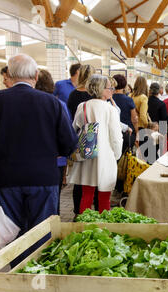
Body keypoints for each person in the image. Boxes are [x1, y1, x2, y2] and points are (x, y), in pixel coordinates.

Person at [0, 54, 77, 267]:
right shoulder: (52, 103)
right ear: (36, 75)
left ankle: (18, 274)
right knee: (41, 232)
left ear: (10, 76)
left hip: (5, 180)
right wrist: (50, 151)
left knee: (13, 234)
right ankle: (38, 275)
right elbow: (69, 144)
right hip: (43, 178)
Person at [69, 74, 123, 214]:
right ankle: (103, 227)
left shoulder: (83, 106)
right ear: (100, 89)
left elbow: (75, 127)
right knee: (104, 197)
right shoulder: (110, 109)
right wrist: (116, 155)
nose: (111, 90)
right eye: (109, 88)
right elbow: (116, 137)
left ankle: (84, 226)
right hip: (105, 156)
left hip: (87, 153)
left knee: (86, 195)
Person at [35, 69, 72, 214]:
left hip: (32, 160)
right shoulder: (58, 104)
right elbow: (66, 134)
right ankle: (52, 224)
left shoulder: (25, 104)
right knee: (52, 198)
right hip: (55, 160)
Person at [67, 64, 97, 215]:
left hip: (78, 138)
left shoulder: (73, 95)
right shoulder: (94, 95)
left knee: (79, 178)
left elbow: (70, 118)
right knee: (96, 178)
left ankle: (77, 212)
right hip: (95, 138)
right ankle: (96, 211)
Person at [112, 74, 139, 152]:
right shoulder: (128, 100)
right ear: (124, 85)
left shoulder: (108, 99)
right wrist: (137, 133)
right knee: (125, 159)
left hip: (113, 133)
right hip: (128, 134)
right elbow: (134, 119)